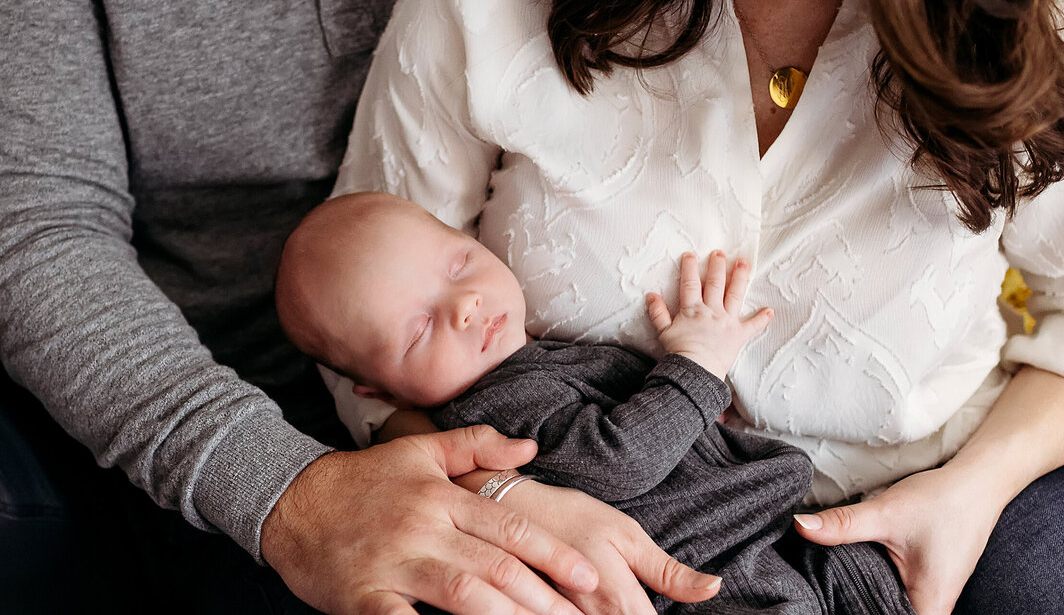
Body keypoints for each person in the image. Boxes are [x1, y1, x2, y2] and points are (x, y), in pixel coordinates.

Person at [0, 0, 1064, 615]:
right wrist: (488, 496)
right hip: (583, 487)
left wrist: (974, 486)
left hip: (932, 464)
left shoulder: (1050, 15)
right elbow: (372, 318)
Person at [0, 0, 738, 614]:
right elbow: (40, 225)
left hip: (485, 402)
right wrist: (285, 489)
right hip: (177, 395)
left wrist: (472, 473)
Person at [273, 190, 918, 615]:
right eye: (417, 330)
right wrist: (694, 368)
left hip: (750, 535)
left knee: (874, 583)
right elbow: (617, 464)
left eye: (459, 264)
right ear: (379, 392)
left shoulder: (538, 359)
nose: (465, 305)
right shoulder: (498, 408)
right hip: (691, 568)